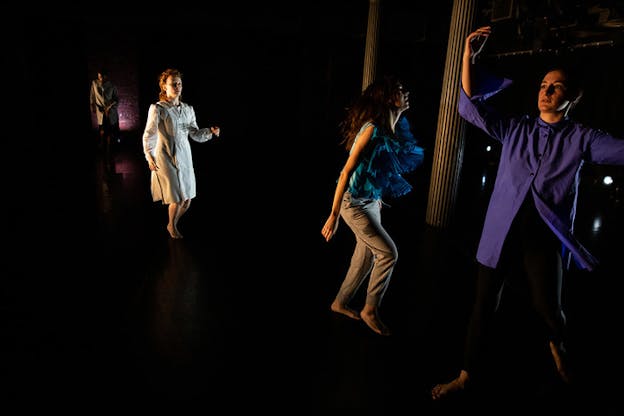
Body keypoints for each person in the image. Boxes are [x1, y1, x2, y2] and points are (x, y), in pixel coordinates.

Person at [431, 26, 624, 400]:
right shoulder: (516, 128)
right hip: (500, 231)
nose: (546, 91)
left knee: (547, 306)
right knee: (483, 303)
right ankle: (466, 375)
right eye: (543, 85)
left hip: (543, 234)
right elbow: (469, 106)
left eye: (557, 86)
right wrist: (467, 57)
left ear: (573, 97)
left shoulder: (582, 137)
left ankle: (557, 344)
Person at [321, 75, 425, 336]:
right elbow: (345, 173)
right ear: (389, 98)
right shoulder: (372, 129)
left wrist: (375, 199)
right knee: (389, 254)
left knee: (365, 255)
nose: (406, 92)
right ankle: (370, 309)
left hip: (371, 203)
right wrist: (333, 215)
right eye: (401, 89)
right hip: (353, 204)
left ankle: (340, 303)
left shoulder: (394, 127)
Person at [142, 68, 221, 239]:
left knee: (187, 199)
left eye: (179, 84)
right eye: (173, 84)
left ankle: (172, 223)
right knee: (177, 197)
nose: (177, 87)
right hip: (166, 156)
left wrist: (209, 132)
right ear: (164, 87)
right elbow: (149, 134)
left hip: (184, 156)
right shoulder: (158, 109)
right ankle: (172, 226)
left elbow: (194, 133)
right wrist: (149, 156)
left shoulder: (188, 109)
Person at [90, 68, 120, 154]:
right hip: (101, 112)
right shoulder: (95, 84)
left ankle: (110, 150)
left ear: (106, 77)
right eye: (99, 77)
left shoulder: (112, 85)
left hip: (110, 113)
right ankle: (103, 149)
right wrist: (92, 105)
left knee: (110, 132)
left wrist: (110, 107)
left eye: (102, 77)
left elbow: (116, 99)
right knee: (102, 131)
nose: (101, 79)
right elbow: (92, 96)